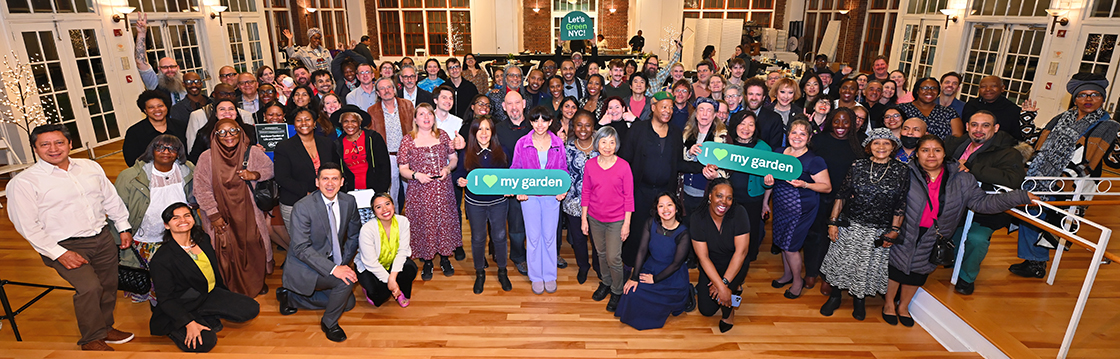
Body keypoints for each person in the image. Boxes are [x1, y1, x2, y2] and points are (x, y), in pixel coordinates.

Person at [8, 124, 136, 351]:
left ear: (70, 144)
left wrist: (123, 226)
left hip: (102, 236)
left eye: (59, 142)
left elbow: (110, 198)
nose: (53, 149)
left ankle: (106, 327)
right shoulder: (24, 182)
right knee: (89, 288)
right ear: (35, 149)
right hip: (62, 244)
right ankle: (90, 338)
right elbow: (27, 226)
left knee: (108, 285)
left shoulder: (89, 167)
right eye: (44, 144)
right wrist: (61, 253)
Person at [887, 135, 1034, 327]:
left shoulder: (962, 178)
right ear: (917, 154)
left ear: (944, 153)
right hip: (905, 231)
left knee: (918, 272)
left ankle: (903, 307)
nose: (931, 155)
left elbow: (982, 203)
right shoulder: (904, 173)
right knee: (896, 269)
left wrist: (1019, 196)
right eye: (925, 150)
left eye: (937, 150)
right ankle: (889, 304)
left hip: (934, 235)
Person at [1011, 74, 1118, 279]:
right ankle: (1033, 261)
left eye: (1095, 95)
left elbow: (1112, 161)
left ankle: (1037, 262)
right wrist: (1027, 118)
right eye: (1082, 95)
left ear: (1102, 98)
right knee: (1030, 215)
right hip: (1040, 175)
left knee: (1051, 220)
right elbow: (1036, 141)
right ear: (1075, 98)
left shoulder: (1109, 125)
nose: (1088, 99)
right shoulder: (1061, 118)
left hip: (1072, 181)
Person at [819, 129, 907, 320]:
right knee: (841, 262)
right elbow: (841, 194)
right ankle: (835, 296)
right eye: (876, 143)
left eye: (886, 143)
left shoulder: (901, 171)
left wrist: (894, 230)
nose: (881, 147)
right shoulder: (857, 166)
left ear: (893, 147)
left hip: (879, 228)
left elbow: (901, 203)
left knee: (866, 266)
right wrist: (833, 223)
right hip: (851, 224)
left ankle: (860, 301)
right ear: (869, 147)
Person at [148, 202, 260, 352]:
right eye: (176, 218)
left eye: (187, 215)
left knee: (250, 308)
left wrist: (226, 297)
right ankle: (175, 328)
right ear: (167, 225)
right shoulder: (161, 259)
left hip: (207, 295)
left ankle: (204, 315)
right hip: (181, 305)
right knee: (206, 342)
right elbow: (166, 299)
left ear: (193, 219)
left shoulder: (203, 240)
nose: (183, 220)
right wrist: (188, 322)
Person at [278, 162, 361, 342]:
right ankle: (329, 323)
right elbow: (300, 248)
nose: (329, 184)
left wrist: (343, 263)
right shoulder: (303, 207)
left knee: (349, 303)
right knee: (346, 282)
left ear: (342, 182)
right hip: (305, 264)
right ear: (317, 182)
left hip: (332, 258)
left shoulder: (349, 201)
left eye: (334, 179)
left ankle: (292, 297)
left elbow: (354, 235)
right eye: (325, 179)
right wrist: (334, 270)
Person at [945, 111, 1026, 295]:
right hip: (956, 205)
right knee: (949, 234)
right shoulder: (956, 145)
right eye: (974, 125)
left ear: (996, 128)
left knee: (976, 239)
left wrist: (972, 167)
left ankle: (966, 278)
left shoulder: (1008, 152)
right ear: (967, 127)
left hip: (987, 210)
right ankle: (953, 261)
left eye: (985, 125)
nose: (978, 130)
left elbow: (1013, 180)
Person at [194, 118, 274, 296]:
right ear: (215, 136)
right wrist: (214, 216)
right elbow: (200, 188)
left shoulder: (252, 152)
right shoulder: (206, 157)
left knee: (254, 244)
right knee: (226, 248)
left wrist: (254, 174)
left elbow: (270, 168)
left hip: (249, 211)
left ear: (240, 133)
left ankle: (256, 281)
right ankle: (230, 285)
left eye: (233, 131)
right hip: (220, 213)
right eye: (222, 132)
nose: (228, 135)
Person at [115, 135, 195, 303]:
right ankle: (151, 295)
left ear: (179, 153)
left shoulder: (188, 170)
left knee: (176, 272)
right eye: (160, 148)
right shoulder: (130, 175)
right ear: (151, 150)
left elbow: (194, 196)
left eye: (172, 148)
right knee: (152, 273)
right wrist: (123, 232)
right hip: (146, 235)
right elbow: (117, 208)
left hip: (178, 232)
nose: (166, 152)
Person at [769, 119, 831, 299]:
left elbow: (826, 187)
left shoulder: (814, 160)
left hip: (801, 208)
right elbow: (771, 181)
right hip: (780, 205)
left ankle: (797, 282)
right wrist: (767, 192)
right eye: (794, 132)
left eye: (802, 133)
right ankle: (787, 275)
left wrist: (805, 184)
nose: (797, 137)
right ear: (787, 134)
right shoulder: (778, 153)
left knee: (790, 246)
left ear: (809, 137)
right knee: (782, 242)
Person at [803, 108, 864, 292]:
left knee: (835, 239)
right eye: (837, 121)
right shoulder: (819, 140)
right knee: (814, 235)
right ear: (830, 121)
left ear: (853, 123)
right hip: (819, 195)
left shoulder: (859, 143)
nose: (840, 126)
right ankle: (811, 271)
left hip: (844, 200)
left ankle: (828, 275)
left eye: (846, 122)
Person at [399, 103, 460, 280]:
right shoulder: (408, 139)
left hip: (443, 188)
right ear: (415, 119)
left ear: (434, 117)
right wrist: (416, 175)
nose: (426, 117)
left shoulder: (443, 135)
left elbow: (453, 158)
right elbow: (403, 168)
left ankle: (445, 257)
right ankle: (427, 261)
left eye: (429, 114)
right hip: (420, 190)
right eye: (421, 114)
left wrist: (448, 169)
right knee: (425, 223)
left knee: (444, 221)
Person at [453, 116, 514, 293]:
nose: (484, 133)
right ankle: (480, 273)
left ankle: (503, 271)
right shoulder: (466, 153)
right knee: (478, 238)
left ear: (493, 131)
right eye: (480, 129)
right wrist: (460, 181)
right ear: (474, 132)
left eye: (487, 129)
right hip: (475, 204)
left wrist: (511, 187)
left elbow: (512, 175)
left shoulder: (502, 151)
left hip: (499, 203)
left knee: (500, 237)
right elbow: (458, 174)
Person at [512, 107, 569, 294]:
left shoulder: (558, 143)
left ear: (551, 122)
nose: (540, 125)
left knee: (550, 236)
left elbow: (563, 170)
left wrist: (563, 190)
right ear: (531, 122)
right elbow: (515, 169)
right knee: (534, 237)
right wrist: (519, 189)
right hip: (530, 198)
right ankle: (536, 276)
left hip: (552, 197)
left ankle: (550, 274)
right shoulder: (522, 143)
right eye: (536, 120)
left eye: (544, 121)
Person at [615, 192, 692, 330]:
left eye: (669, 205)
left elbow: (676, 265)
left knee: (653, 298)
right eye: (661, 206)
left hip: (671, 276)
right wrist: (634, 277)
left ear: (677, 208)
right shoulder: (650, 223)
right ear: (656, 209)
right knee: (631, 291)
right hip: (651, 266)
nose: (666, 209)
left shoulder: (684, 233)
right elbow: (642, 251)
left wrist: (655, 279)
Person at [580, 125, 633, 308]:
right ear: (597, 143)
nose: (607, 146)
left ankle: (617, 291)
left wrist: (626, 224)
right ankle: (606, 282)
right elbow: (585, 192)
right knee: (601, 254)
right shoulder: (590, 165)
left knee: (613, 257)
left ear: (616, 144)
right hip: (595, 218)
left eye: (612, 142)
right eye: (603, 142)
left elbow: (629, 197)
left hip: (616, 220)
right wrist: (583, 218)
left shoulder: (624, 166)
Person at [690, 178, 750, 333]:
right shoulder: (698, 217)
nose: (724, 202)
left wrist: (723, 284)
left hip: (735, 262)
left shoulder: (739, 213)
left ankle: (729, 312)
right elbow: (703, 257)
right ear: (710, 196)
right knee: (706, 310)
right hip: (710, 264)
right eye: (719, 196)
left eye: (729, 198)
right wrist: (720, 285)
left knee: (725, 294)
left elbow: (741, 252)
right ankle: (730, 289)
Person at [275, 108, 338, 229]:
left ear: (314, 123)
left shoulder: (327, 143)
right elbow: (282, 178)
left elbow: (336, 168)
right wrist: (309, 193)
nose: (303, 123)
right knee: (302, 243)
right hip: (296, 202)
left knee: (329, 239)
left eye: (307, 119)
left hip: (327, 199)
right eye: (299, 120)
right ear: (294, 125)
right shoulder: (284, 147)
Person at [724, 112, 773, 262]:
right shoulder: (727, 144)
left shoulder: (764, 148)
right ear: (735, 125)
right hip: (728, 199)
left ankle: (747, 258)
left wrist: (768, 184)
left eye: (751, 124)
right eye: (742, 123)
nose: (746, 128)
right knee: (727, 230)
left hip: (752, 199)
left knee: (750, 230)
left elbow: (767, 180)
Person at [355, 193, 417, 307]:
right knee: (379, 298)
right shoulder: (367, 229)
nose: (385, 209)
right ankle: (369, 289)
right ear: (374, 212)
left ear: (393, 205)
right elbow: (371, 262)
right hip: (370, 266)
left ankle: (400, 290)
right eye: (378, 207)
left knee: (411, 268)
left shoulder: (403, 222)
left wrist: (392, 278)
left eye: (387, 204)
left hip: (392, 263)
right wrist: (391, 281)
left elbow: (403, 251)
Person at [562, 110, 603, 284]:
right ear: (573, 126)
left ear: (593, 127)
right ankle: (583, 267)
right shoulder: (566, 149)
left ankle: (599, 267)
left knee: (597, 239)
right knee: (578, 238)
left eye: (588, 125)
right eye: (579, 125)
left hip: (598, 203)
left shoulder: (602, 147)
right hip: (573, 202)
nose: (583, 129)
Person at [494, 91, 532, 275]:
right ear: (503, 107)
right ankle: (519, 257)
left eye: (517, 102)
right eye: (510, 104)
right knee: (516, 226)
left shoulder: (536, 124)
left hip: (535, 184)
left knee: (536, 224)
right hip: (511, 185)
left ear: (524, 103)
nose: (514, 107)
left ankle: (538, 254)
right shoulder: (497, 129)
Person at [368, 77, 416, 206]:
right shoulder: (372, 111)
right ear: (378, 93)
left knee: (411, 189)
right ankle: (393, 220)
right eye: (382, 89)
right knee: (392, 192)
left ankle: (413, 221)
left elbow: (415, 129)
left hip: (408, 155)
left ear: (394, 90)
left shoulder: (407, 105)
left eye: (388, 87)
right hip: (388, 156)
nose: (386, 90)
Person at [680, 97, 728, 213]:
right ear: (695, 113)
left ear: (715, 115)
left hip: (707, 194)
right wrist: (689, 153)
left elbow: (729, 168)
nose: (704, 114)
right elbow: (677, 160)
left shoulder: (722, 138)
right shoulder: (686, 134)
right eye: (701, 110)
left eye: (709, 110)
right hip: (685, 192)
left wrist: (717, 175)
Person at [334, 105, 392, 199]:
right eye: (346, 121)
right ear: (341, 123)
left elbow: (384, 166)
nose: (350, 125)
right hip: (350, 193)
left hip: (374, 190)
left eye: (353, 121)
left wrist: (380, 191)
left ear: (360, 122)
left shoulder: (373, 138)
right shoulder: (338, 144)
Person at [124, 90, 188, 167]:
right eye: (151, 107)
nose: (157, 109)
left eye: (160, 106)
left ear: (166, 107)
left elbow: (187, 152)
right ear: (145, 111)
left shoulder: (181, 126)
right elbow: (131, 160)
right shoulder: (134, 132)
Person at [961, 76, 1033, 142]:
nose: (988, 89)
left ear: (1002, 88)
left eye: (993, 86)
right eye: (983, 86)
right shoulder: (971, 105)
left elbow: (1016, 138)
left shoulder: (1012, 110)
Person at [133, 13, 185, 104]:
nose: (169, 70)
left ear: (178, 67)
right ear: (159, 69)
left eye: (172, 66)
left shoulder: (186, 81)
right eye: (165, 67)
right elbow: (141, 62)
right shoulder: (154, 82)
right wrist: (141, 33)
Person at [898, 77, 963, 139]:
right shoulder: (901, 109)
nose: (929, 91)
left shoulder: (949, 112)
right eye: (925, 88)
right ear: (917, 90)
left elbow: (957, 136)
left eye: (934, 88)